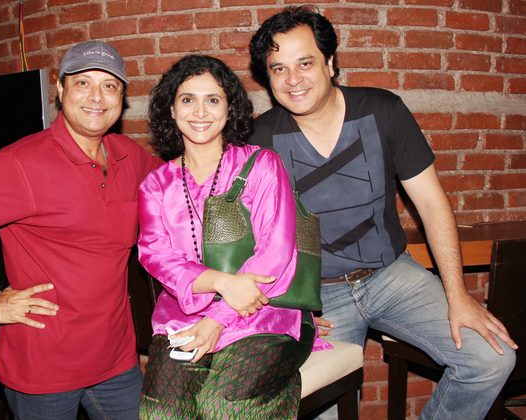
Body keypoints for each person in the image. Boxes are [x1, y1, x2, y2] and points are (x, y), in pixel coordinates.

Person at [248, 5, 517, 419]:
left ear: (330, 64)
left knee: (490, 358)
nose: (293, 79)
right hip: (317, 298)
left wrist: (457, 294)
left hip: (391, 275)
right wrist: (286, 309)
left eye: (305, 63)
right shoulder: (260, 138)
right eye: (278, 69)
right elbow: (253, 239)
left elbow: (432, 204)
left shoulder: (382, 111)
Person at [0, 40, 158, 419]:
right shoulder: (22, 163)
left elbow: (182, 185)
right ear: (60, 89)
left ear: (122, 98)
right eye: (83, 83)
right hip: (45, 368)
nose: (97, 96)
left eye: (109, 85)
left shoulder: (129, 155)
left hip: (115, 360)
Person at [136, 54, 323, 419]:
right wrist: (221, 282)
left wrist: (217, 319)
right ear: (171, 110)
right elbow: (156, 255)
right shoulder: (155, 185)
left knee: (223, 406)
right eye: (187, 99)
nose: (200, 112)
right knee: (162, 413)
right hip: (182, 317)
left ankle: (275, 387)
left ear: (229, 108)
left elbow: (276, 252)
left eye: (213, 99)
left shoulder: (261, 164)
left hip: (264, 312)